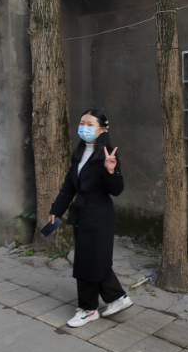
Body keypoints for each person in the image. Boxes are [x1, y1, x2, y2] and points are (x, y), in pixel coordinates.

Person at [49, 109, 132, 328]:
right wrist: (56, 210)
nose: (83, 127)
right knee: (94, 260)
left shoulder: (107, 155)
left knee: (87, 262)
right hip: (81, 214)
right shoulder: (79, 153)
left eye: (89, 124)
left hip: (99, 216)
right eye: (81, 123)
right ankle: (118, 297)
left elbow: (117, 190)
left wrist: (111, 171)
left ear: (102, 129)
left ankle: (88, 309)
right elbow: (69, 186)